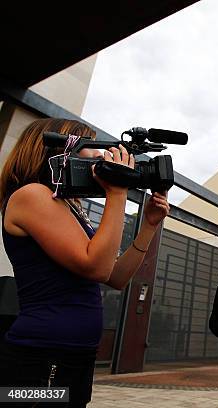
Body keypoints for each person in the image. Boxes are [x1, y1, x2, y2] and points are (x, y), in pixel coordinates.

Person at [0, 118, 169, 407]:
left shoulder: (68, 205)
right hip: (40, 359)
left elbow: (114, 276)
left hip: (73, 355)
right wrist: (117, 192)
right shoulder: (32, 195)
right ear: (53, 154)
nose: (98, 158)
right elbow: (97, 266)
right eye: (88, 149)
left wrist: (150, 226)